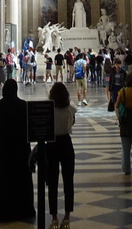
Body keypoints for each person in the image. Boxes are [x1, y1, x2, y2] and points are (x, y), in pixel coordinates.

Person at [0, 79, 34, 221]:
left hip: (2, 154)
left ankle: (3, 210)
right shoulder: (23, 106)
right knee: (21, 181)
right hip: (20, 153)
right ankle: (24, 209)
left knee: (2, 182)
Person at [45, 82, 77, 229]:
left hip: (52, 144)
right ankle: (67, 217)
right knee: (68, 181)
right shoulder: (71, 108)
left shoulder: (49, 108)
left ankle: (54, 217)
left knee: (52, 182)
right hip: (66, 143)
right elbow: (73, 122)